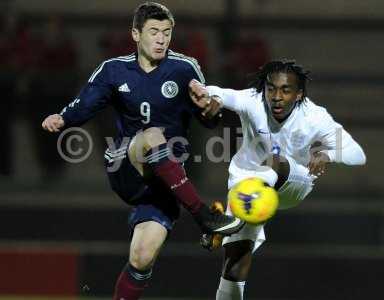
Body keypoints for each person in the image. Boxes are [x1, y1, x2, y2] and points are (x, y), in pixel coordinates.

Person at [41, 2, 244, 299]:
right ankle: (204, 216)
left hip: (167, 180)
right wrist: (63, 118)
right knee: (151, 136)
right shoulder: (113, 70)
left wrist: (210, 111)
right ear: (136, 34)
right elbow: (84, 104)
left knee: (141, 258)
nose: (161, 39)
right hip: (128, 164)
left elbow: (207, 117)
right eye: (153, 32)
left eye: (166, 32)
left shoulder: (184, 68)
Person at [189, 59, 366, 300]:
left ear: (299, 94)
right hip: (247, 183)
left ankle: (229, 221)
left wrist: (328, 154)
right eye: (271, 88)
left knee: (275, 160)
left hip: (293, 182)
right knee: (234, 267)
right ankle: (233, 224)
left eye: (285, 90)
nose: (276, 96)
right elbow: (219, 93)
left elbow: (358, 154)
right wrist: (209, 97)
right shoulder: (253, 100)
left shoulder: (314, 117)